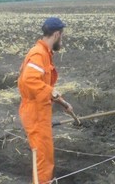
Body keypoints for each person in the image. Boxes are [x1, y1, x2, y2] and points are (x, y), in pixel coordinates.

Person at [18, 16, 74, 183]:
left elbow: (43, 88)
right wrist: (54, 93)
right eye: (62, 36)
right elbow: (29, 80)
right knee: (43, 159)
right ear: (56, 34)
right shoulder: (38, 53)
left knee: (45, 155)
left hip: (39, 111)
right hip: (35, 113)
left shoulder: (45, 53)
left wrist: (63, 102)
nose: (62, 40)